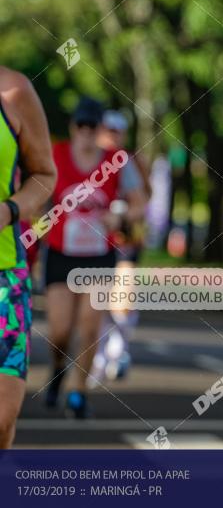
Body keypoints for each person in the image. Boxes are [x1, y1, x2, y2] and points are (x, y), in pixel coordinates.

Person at [42, 98, 140, 419]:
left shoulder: (116, 162)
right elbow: (37, 194)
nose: (85, 132)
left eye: (91, 127)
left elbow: (140, 203)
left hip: (98, 256)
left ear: (99, 130)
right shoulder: (55, 156)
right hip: (61, 254)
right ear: (72, 128)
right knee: (59, 330)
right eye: (80, 126)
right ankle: (57, 369)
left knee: (88, 327)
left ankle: (78, 391)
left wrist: (120, 217)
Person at [0, 66, 56, 448]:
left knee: (2, 419)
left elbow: (43, 175)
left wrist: (9, 210)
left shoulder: (14, 91)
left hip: (5, 274)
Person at [90, 110, 149, 383]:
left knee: (122, 300)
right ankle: (99, 358)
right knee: (97, 302)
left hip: (124, 240)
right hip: (91, 243)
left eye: (116, 131)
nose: (111, 136)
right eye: (107, 130)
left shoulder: (129, 162)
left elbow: (143, 202)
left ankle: (119, 351)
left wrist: (122, 213)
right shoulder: (88, 160)